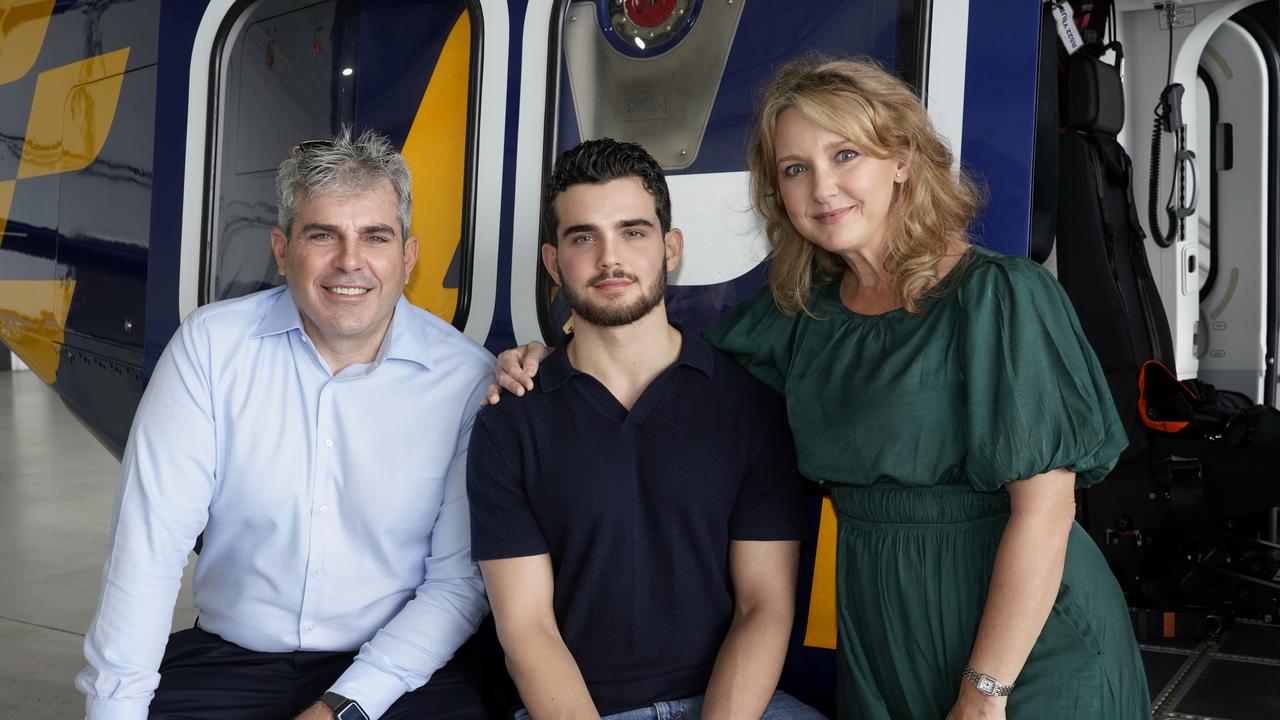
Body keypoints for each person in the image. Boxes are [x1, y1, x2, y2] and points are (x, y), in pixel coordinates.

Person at [490, 59, 1152, 719]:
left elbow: (1044, 512)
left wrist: (984, 694)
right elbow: (663, 361)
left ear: (901, 159)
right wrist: (555, 355)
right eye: (795, 169)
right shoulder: (802, 314)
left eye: (845, 155)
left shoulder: (998, 297)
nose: (822, 187)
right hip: (883, 637)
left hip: (1023, 644)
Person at [76, 129, 494, 720]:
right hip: (230, 660)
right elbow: (149, 550)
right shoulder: (211, 348)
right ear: (281, 249)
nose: (350, 261)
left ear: (408, 255)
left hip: (398, 672)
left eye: (375, 236)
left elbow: (457, 583)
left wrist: (344, 707)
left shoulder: (465, 379)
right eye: (323, 235)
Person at [467, 138, 825, 720]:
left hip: (733, 705)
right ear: (554, 262)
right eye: (584, 237)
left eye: (633, 232)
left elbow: (763, 606)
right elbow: (527, 629)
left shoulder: (750, 406)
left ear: (670, 249)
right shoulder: (511, 422)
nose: (611, 259)